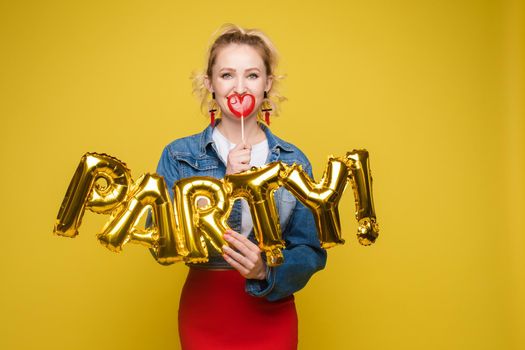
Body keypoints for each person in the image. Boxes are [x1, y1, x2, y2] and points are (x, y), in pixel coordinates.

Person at [154, 24, 327, 350]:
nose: (239, 86)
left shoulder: (293, 160)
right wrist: (224, 185)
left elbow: (310, 251)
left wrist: (265, 269)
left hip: (271, 307)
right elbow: (159, 240)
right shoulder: (179, 155)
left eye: (251, 75)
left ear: (267, 85)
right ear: (210, 85)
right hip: (206, 309)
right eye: (227, 75)